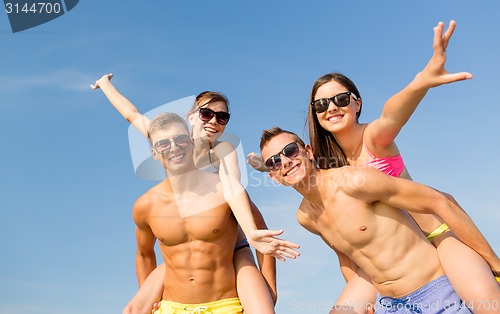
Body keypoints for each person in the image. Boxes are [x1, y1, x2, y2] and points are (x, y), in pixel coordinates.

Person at [248, 20, 500, 305]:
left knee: (487, 302)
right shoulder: (327, 161)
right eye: (321, 104)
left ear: (357, 103)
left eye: (341, 99)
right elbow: (295, 164)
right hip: (391, 267)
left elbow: (393, 113)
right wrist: (267, 166)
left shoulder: (374, 138)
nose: (331, 107)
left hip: (437, 236)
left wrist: (422, 80)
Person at [91, 77, 291, 313]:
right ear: (192, 115)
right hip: (184, 242)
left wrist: (250, 230)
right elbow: (131, 114)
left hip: (232, 244)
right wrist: (105, 85)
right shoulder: (169, 137)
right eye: (206, 114)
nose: (214, 121)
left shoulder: (222, 150)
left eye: (222, 117)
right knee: (135, 308)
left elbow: (232, 186)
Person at [260, 127, 499, 313]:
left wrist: (495, 266)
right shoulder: (305, 217)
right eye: (274, 162)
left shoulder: (355, 182)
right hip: (390, 305)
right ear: (272, 176)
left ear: (308, 151)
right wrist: (365, 303)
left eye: (290, 151)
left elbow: (441, 202)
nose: (285, 161)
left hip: (435, 291)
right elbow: (347, 256)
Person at [124, 112, 278, 314]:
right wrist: (150, 296)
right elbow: (144, 254)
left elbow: (262, 236)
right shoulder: (145, 205)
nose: (174, 148)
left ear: (191, 142)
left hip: (226, 306)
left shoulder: (225, 191)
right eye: (163, 144)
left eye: (180, 140)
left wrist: (270, 291)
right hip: (171, 307)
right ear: (154, 152)